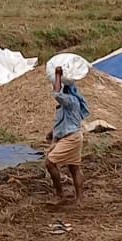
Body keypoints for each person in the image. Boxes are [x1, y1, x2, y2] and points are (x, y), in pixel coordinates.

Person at [44, 66, 90, 205]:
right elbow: (64, 120)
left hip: (71, 138)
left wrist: (58, 74)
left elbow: (57, 94)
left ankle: (59, 195)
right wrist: (52, 133)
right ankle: (80, 199)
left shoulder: (70, 101)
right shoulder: (69, 102)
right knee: (74, 167)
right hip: (72, 136)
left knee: (50, 162)